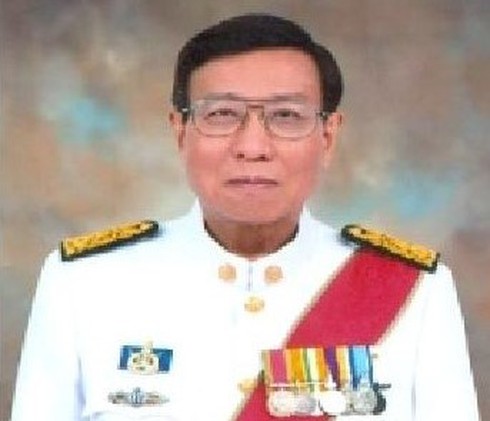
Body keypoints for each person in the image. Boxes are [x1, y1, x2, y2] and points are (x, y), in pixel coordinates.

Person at [11, 13, 479, 421]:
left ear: (328, 137)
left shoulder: (417, 292)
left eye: (286, 116)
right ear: (181, 131)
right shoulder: (84, 284)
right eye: (222, 114)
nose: (253, 147)